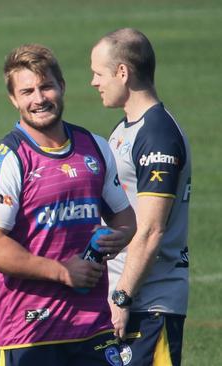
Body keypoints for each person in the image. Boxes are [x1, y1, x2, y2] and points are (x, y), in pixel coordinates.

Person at [0, 44, 137, 366]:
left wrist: (120, 236)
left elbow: (124, 218)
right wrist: (62, 272)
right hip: (31, 332)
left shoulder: (95, 147)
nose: (39, 98)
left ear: (61, 86)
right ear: (13, 99)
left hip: (93, 327)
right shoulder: (5, 160)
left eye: (46, 86)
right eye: (27, 91)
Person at [90, 28, 191, 365]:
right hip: (130, 299)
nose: (93, 82)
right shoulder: (125, 129)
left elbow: (151, 230)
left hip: (149, 305)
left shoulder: (157, 136)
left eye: (98, 73)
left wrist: (122, 296)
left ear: (123, 72)